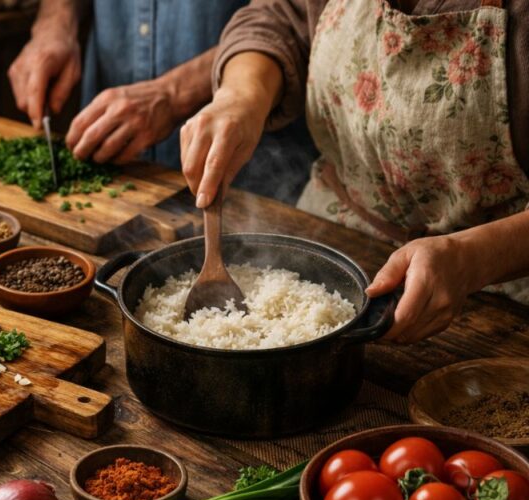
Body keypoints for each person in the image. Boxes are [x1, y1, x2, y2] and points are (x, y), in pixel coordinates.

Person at [180, 0, 529, 343]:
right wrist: (242, 94)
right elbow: (282, 16)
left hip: (498, 299)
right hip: (326, 237)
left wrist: (472, 258)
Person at [7, 0, 317, 204]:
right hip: (110, 144)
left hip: (249, 154)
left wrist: (173, 94)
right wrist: (55, 24)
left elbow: (287, 15)